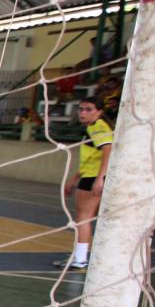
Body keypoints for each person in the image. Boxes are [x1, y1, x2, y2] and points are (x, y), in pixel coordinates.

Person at [54, 97, 113, 271]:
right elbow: (92, 157)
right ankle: (80, 255)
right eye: (81, 109)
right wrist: (75, 178)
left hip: (95, 178)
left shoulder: (99, 127)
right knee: (87, 217)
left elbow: (108, 150)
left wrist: (100, 178)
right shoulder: (93, 128)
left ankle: (80, 259)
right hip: (91, 175)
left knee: (83, 218)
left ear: (99, 111)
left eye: (88, 109)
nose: (83, 113)